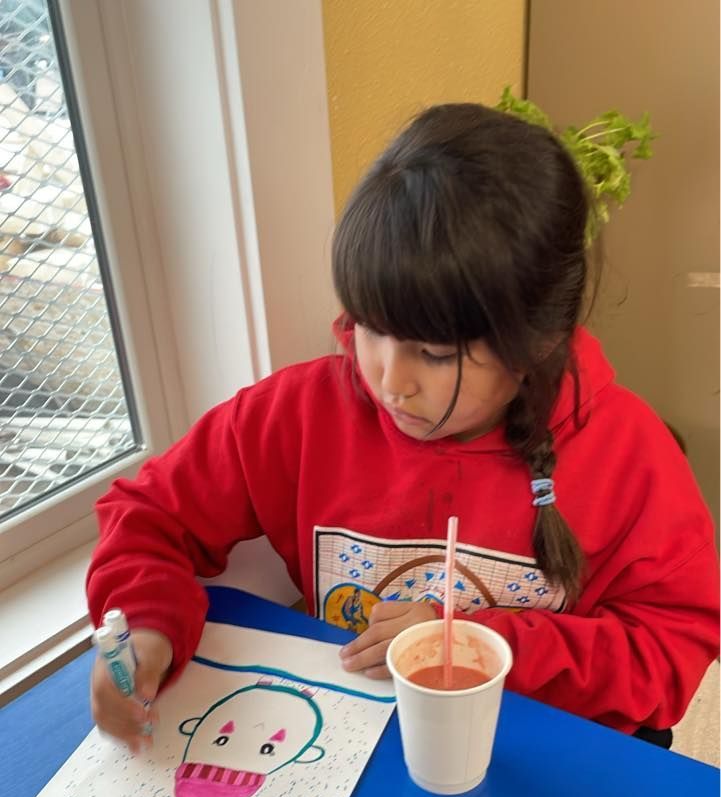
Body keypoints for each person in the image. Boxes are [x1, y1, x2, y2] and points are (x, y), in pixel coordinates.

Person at [87, 102, 719, 752]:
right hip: (354, 745)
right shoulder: (298, 415)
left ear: (536, 339)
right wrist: (147, 623)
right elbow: (148, 516)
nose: (390, 379)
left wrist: (477, 644)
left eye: (435, 354)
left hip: (549, 754)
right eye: (370, 326)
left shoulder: (626, 453)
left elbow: (668, 654)